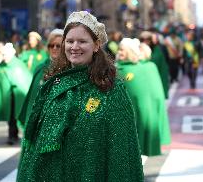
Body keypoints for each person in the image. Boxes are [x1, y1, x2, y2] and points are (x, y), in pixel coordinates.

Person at [17, 11, 143, 181]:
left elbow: (122, 152)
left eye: (82, 41)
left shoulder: (112, 89)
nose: (74, 47)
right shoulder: (53, 84)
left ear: (96, 45)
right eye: (69, 41)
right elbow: (33, 148)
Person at [116, 38, 171, 156]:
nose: (119, 52)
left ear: (130, 52)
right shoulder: (116, 69)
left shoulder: (145, 68)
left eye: (122, 50)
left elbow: (154, 93)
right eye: (118, 50)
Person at [0, 43, 33, 145]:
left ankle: (19, 134)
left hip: (18, 96)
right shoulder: (1, 66)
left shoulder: (18, 64)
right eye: (3, 54)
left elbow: (24, 79)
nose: (4, 57)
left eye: (6, 54)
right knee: (10, 116)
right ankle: (12, 135)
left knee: (18, 115)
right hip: (7, 96)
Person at [18, 29, 63, 126]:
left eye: (58, 46)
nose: (54, 48)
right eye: (51, 45)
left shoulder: (69, 69)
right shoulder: (40, 68)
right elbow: (32, 98)